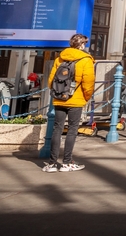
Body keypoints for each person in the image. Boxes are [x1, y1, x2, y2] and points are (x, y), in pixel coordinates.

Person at [43, 33, 95, 173]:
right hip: (76, 100)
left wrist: (58, 93)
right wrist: (86, 97)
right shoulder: (86, 60)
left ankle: (52, 164)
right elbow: (88, 83)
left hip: (59, 98)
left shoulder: (60, 58)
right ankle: (67, 162)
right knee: (72, 130)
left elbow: (50, 81)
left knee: (57, 129)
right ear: (82, 44)